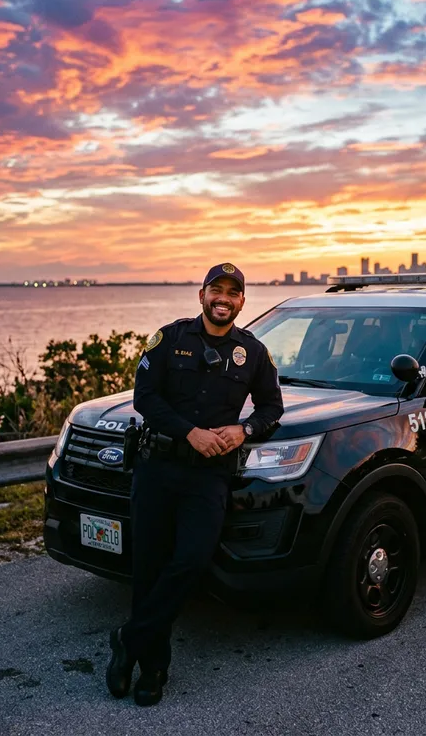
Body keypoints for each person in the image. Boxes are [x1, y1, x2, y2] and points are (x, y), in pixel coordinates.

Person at [106, 262, 284, 706]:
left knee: (192, 560)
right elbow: (145, 397)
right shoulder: (170, 339)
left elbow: (271, 407)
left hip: (209, 476)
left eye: (233, 292)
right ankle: (154, 667)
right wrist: (190, 432)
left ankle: (128, 638)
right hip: (158, 467)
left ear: (243, 301)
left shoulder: (254, 353)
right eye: (216, 290)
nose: (224, 298)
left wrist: (244, 431)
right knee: (148, 568)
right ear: (201, 295)